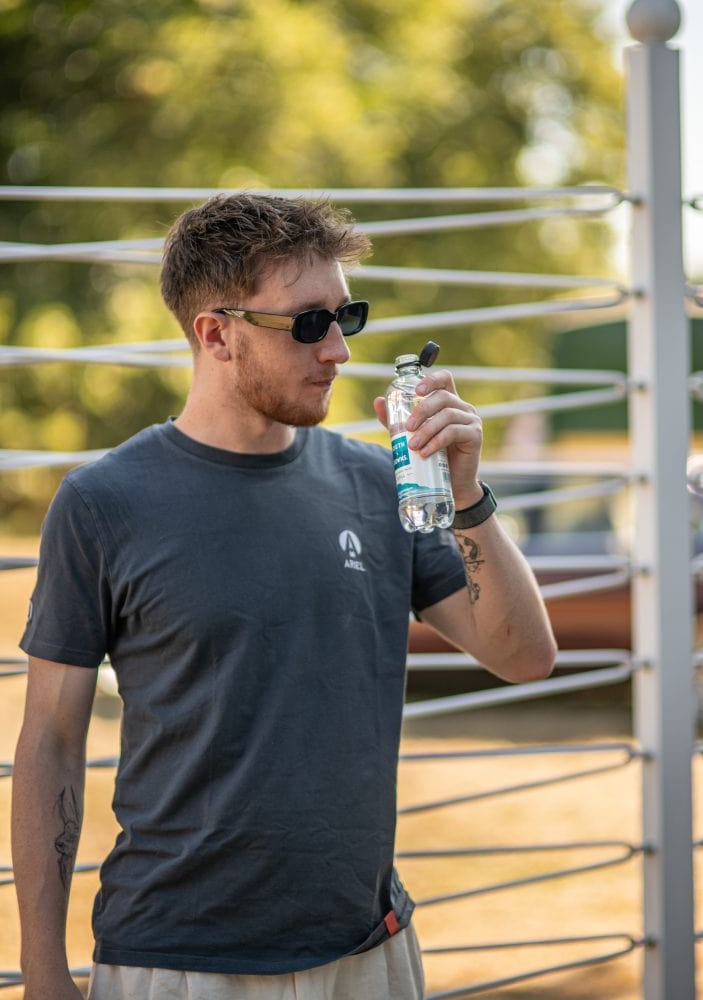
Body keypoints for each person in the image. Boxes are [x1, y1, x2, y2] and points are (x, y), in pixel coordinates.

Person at [11, 193, 557, 1000]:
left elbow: (523, 656)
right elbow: (51, 741)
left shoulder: (379, 484)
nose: (337, 349)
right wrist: (44, 972)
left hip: (367, 949)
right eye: (307, 323)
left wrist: (468, 496)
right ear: (215, 332)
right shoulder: (104, 502)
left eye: (347, 316)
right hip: (175, 961)